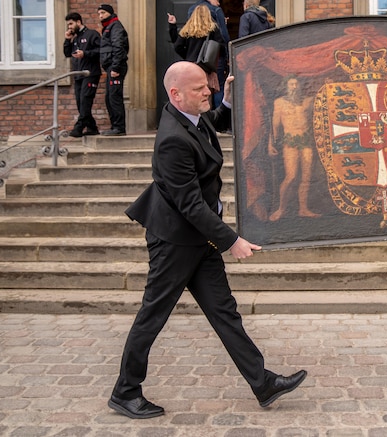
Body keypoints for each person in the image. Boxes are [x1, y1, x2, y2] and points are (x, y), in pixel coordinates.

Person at [108, 61, 306, 419]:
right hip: (175, 241)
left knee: (224, 312)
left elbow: (209, 120)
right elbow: (190, 205)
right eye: (200, 88)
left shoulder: (189, 119)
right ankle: (125, 392)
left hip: (199, 238)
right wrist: (232, 240)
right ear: (175, 94)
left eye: (208, 85)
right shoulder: (171, 140)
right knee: (153, 314)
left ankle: (262, 383)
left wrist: (228, 103)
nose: (208, 91)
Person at [267, 76, 319, 221]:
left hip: (306, 141)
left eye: (296, 84)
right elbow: (275, 126)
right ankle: (281, 209)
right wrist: (270, 144)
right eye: (291, 84)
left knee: (306, 177)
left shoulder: (308, 101)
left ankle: (303, 209)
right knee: (291, 176)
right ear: (286, 86)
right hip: (290, 142)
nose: (294, 87)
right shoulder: (279, 103)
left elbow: (323, 96)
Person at [167, 5, 224, 95]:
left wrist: (188, 56)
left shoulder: (187, 29)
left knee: (192, 91)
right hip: (206, 67)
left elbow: (177, 46)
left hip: (191, 66)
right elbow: (221, 47)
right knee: (207, 93)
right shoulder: (213, 28)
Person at [189, 0, 230, 108]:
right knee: (218, 87)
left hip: (195, 58)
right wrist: (227, 56)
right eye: (217, 0)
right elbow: (223, 35)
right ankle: (219, 118)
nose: (218, 3)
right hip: (214, 56)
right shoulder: (216, 10)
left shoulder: (191, 9)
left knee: (197, 86)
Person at [63, 12, 102, 137]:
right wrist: (67, 40)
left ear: (78, 22)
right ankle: (92, 127)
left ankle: (78, 128)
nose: (69, 27)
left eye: (71, 24)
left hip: (90, 73)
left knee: (85, 100)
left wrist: (85, 53)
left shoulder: (92, 34)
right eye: (68, 24)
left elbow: (100, 50)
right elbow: (67, 53)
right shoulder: (75, 38)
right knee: (80, 103)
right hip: (78, 75)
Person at [97, 4, 129, 136]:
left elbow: (118, 47)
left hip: (116, 67)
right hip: (111, 67)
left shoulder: (115, 26)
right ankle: (114, 126)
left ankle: (119, 128)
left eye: (103, 13)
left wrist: (115, 67)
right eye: (99, 13)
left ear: (110, 13)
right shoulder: (108, 27)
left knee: (114, 97)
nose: (100, 16)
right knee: (109, 97)